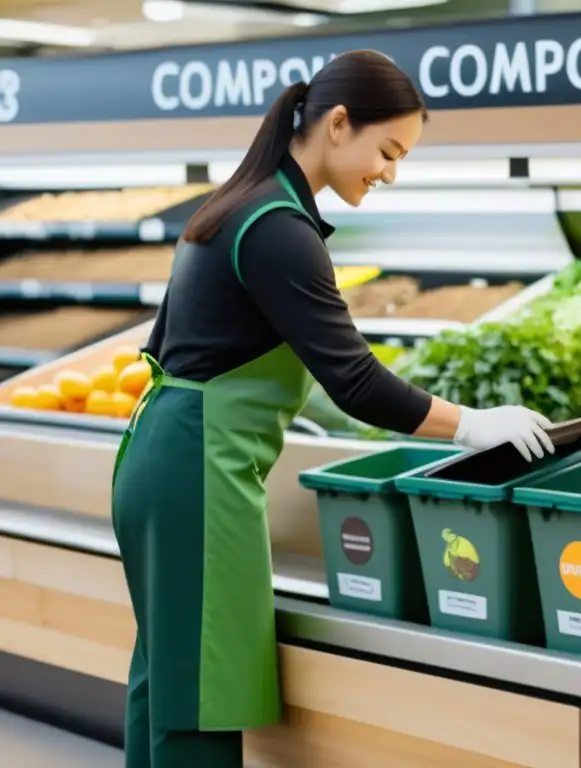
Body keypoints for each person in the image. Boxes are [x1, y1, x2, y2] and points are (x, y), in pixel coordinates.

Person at [111, 49, 555, 768]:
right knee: (199, 700)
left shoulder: (240, 203)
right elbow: (355, 382)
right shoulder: (277, 227)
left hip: (165, 460)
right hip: (196, 475)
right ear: (339, 124)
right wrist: (475, 423)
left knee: (166, 685)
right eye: (387, 151)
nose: (389, 173)